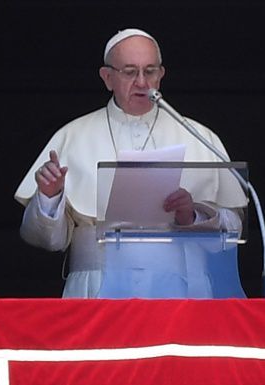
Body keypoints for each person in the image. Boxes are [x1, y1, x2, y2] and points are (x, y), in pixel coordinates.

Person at [14, 28, 246, 298]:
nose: (141, 82)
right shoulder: (72, 136)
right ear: (107, 77)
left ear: (161, 75)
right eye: (129, 71)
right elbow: (45, 240)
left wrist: (192, 216)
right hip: (96, 290)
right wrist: (49, 196)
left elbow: (234, 231)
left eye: (149, 71)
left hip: (183, 293)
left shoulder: (200, 137)